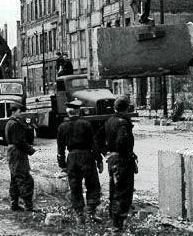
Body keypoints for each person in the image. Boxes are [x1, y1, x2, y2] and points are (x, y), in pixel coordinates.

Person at [96, 95, 137, 235]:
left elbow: (98, 138)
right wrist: (126, 155)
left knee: (115, 191)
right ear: (127, 108)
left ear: (115, 108)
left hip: (113, 160)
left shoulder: (109, 121)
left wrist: (106, 153)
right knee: (123, 192)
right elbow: (122, 142)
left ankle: (115, 223)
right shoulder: (123, 123)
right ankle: (117, 227)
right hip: (122, 161)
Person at [57, 99, 103, 224]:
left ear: (68, 112)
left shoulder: (62, 127)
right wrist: (99, 160)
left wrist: (62, 165)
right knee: (93, 185)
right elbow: (93, 143)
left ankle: (79, 215)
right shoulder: (86, 124)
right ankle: (90, 213)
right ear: (78, 111)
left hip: (71, 158)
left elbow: (60, 148)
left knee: (75, 187)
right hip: (86, 156)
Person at [5, 105, 35, 211]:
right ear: (14, 112)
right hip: (18, 152)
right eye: (19, 111)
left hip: (12, 152)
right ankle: (28, 205)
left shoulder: (10, 123)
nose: (21, 113)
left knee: (14, 178)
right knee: (24, 178)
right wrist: (30, 149)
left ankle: (14, 203)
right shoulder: (15, 124)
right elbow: (19, 141)